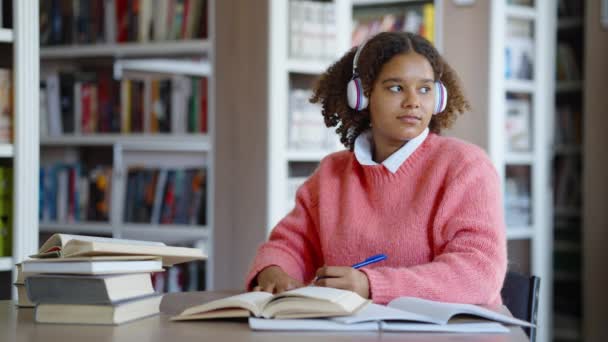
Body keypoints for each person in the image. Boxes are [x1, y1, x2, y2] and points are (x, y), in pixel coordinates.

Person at [244, 31, 507, 306]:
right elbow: (290, 245)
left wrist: (372, 285)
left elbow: (479, 273)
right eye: (396, 87)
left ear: (439, 98)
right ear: (361, 95)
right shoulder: (332, 173)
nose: (413, 102)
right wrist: (273, 270)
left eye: (425, 89)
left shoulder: (465, 166)